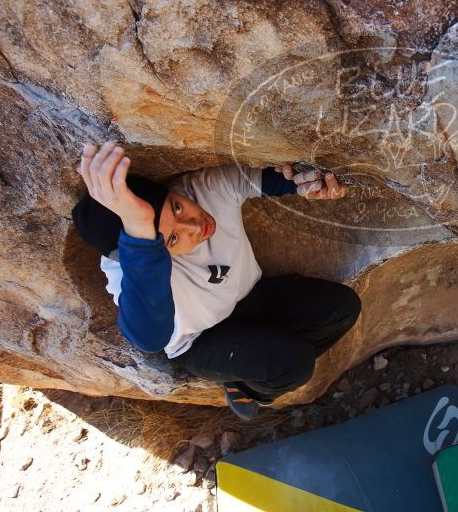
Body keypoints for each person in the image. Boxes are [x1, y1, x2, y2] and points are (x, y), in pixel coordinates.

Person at [71, 141, 361, 420]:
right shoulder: (130, 272)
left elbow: (277, 179)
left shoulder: (202, 189)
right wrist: (139, 228)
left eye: (176, 207)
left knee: (343, 307)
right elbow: (149, 339)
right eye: (173, 238)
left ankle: (264, 360)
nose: (194, 226)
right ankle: (249, 388)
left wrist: (317, 182)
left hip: (250, 296)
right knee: (293, 364)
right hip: (202, 340)